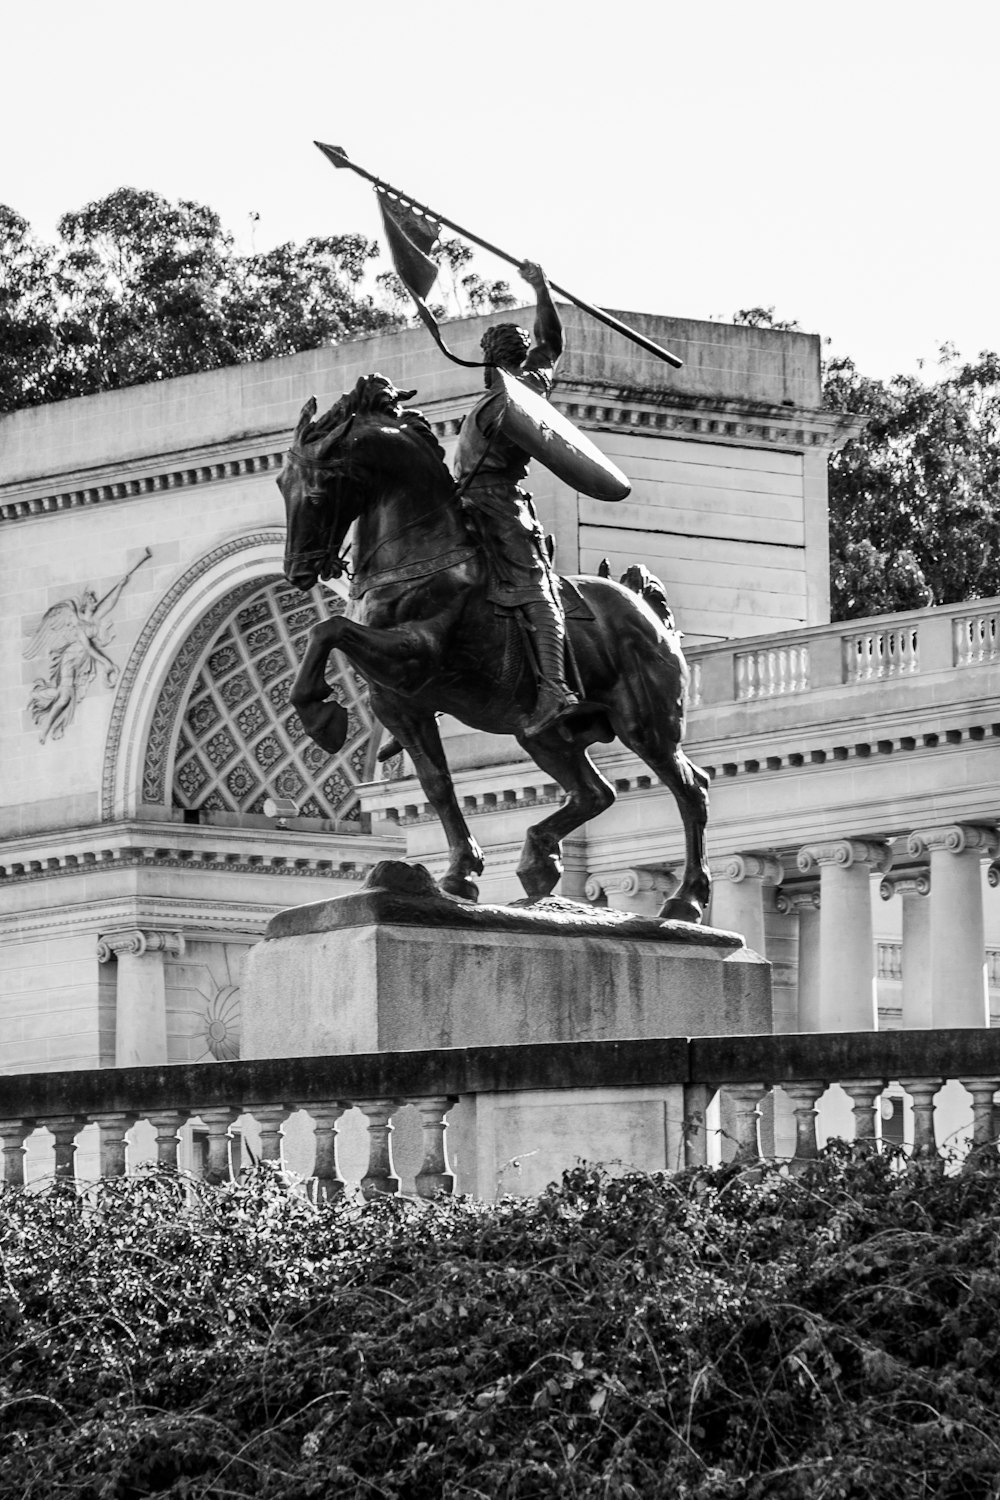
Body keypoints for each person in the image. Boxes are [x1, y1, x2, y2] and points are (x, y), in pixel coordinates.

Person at [453, 262, 579, 738]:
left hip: (503, 508)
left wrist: (542, 288)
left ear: (491, 361)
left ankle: (554, 686)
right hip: (462, 503)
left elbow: (551, 345)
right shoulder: (490, 402)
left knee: (535, 590)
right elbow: (548, 346)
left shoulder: (524, 392)